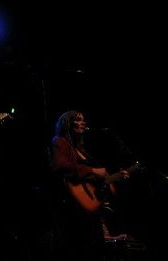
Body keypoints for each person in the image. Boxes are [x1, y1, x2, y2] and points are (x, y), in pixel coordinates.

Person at [50, 110, 129, 261]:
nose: (83, 123)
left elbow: (94, 178)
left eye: (84, 120)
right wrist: (92, 170)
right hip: (72, 206)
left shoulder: (80, 149)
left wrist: (117, 177)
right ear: (67, 123)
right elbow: (60, 166)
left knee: (96, 246)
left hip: (87, 208)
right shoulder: (59, 141)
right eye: (78, 120)